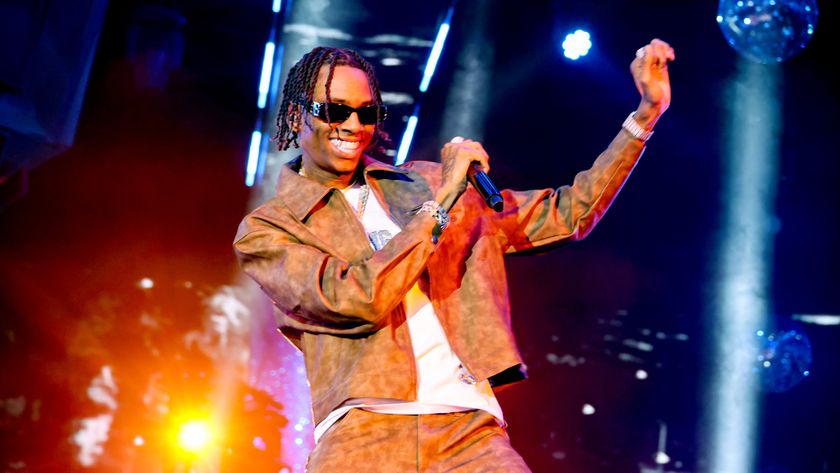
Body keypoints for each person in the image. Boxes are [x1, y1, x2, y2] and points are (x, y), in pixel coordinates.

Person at [234, 39, 675, 472]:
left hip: (470, 433)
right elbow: (356, 299)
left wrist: (644, 117)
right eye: (334, 110)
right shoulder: (272, 229)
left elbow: (569, 212)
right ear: (296, 116)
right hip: (362, 435)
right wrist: (441, 203)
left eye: (366, 112)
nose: (353, 124)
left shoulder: (423, 183)